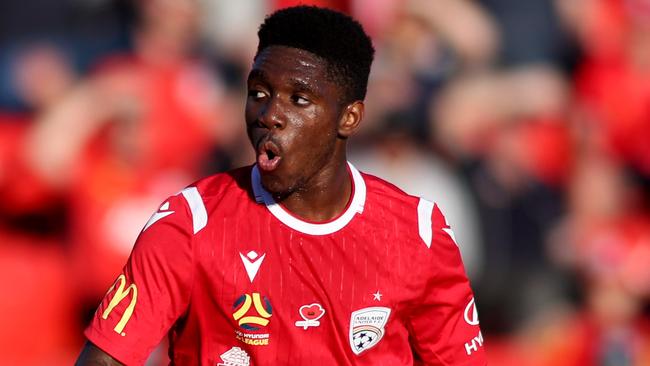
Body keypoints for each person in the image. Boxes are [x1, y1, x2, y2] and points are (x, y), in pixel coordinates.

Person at [76, 6, 486, 365]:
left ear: (349, 118)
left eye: (299, 99)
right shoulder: (189, 223)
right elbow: (105, 357)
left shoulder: (417, 232)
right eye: (259, 93)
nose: (270, 114)